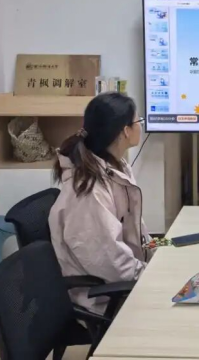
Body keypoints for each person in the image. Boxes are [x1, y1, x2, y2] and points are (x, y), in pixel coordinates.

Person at [49, 92, 151, 313]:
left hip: (125, 279)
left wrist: (155, 256)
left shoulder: (116, 167)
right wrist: (150, 276)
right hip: (106, 297)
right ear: (125, 131)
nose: (141, 127)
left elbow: (134, 227)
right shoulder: (88, 191)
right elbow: (109, 260)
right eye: (138, 121)